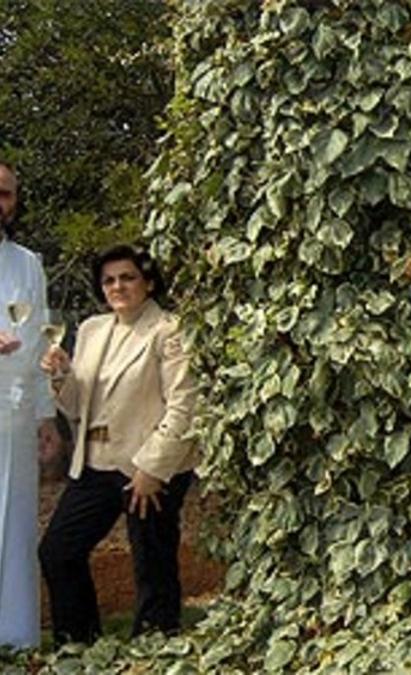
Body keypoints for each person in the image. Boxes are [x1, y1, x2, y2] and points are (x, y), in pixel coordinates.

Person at [39, 244, 197, 645]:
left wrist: (153, 469)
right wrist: (60, 377)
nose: (117, 286)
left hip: (147, 469)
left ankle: (155, 652)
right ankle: (78, 649)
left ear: (148, 281)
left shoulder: (170, 330)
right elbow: (78, 407)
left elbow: (185, 405)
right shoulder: (93, 329)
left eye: (127, 277)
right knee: (58, 551)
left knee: (152, 566)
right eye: (109, 280)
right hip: (94, 464)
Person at [0, 159, 60, 648]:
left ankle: (15, 638)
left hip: (16, 418)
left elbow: (39, 342)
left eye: (5, 193)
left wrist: (45, 417)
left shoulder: (28, 263)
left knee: (17, 524)